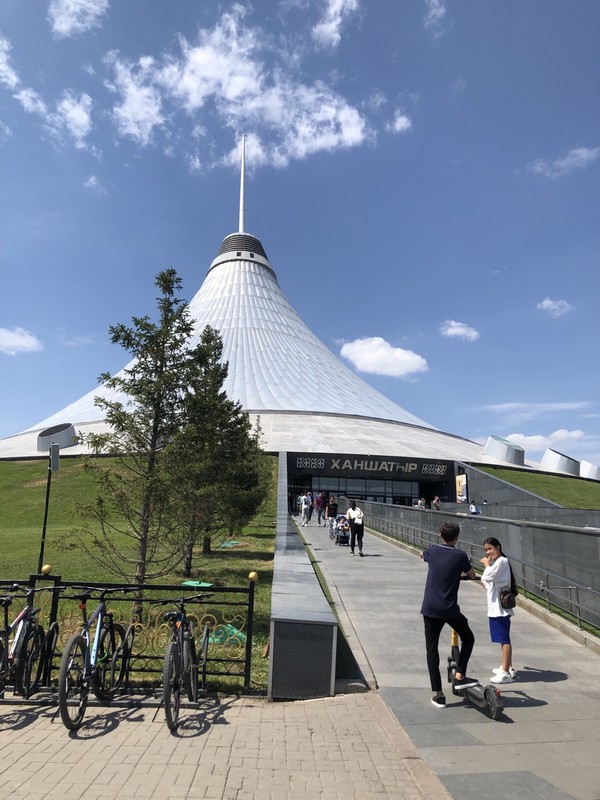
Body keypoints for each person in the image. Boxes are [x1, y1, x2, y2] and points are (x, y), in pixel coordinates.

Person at [420, 522, 479, 708]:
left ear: (440, 535)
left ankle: (438, 694)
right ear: (457, 537)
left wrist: (426, 555)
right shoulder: (460, 555)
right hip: (450, 609)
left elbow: (423, 555)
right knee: (468, 638)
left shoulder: (432, 551)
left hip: (430, 609)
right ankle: (460, 673)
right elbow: (471, 575)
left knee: (432, 649)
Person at [480, 537, 518, 684]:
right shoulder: (500, 563)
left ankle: (505, 672)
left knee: (504, 639)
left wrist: (486, 564)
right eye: (486, 550)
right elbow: (489, 581)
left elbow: (487, 575)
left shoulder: (501, 561)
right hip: (496, 607)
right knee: (502, 639)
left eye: (490, 548)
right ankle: (507, 666)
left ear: (498, 547)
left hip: (499, 608)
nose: (488, 552)